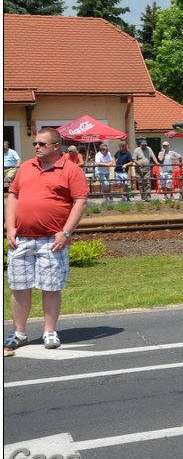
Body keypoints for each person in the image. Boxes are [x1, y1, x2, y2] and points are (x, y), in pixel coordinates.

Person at [4, 128, 89, 355]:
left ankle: (49, 331)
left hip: (52, 240)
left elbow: (80, 202)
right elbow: (13, 195)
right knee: (19, 286)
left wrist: (66, 233)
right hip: (21, 239)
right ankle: (19, 333)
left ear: (55, 147)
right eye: (35, 143)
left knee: (51, 287)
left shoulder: (71, 170)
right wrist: (9, 227)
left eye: (42, 143)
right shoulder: (26, 167)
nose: (36, 147)